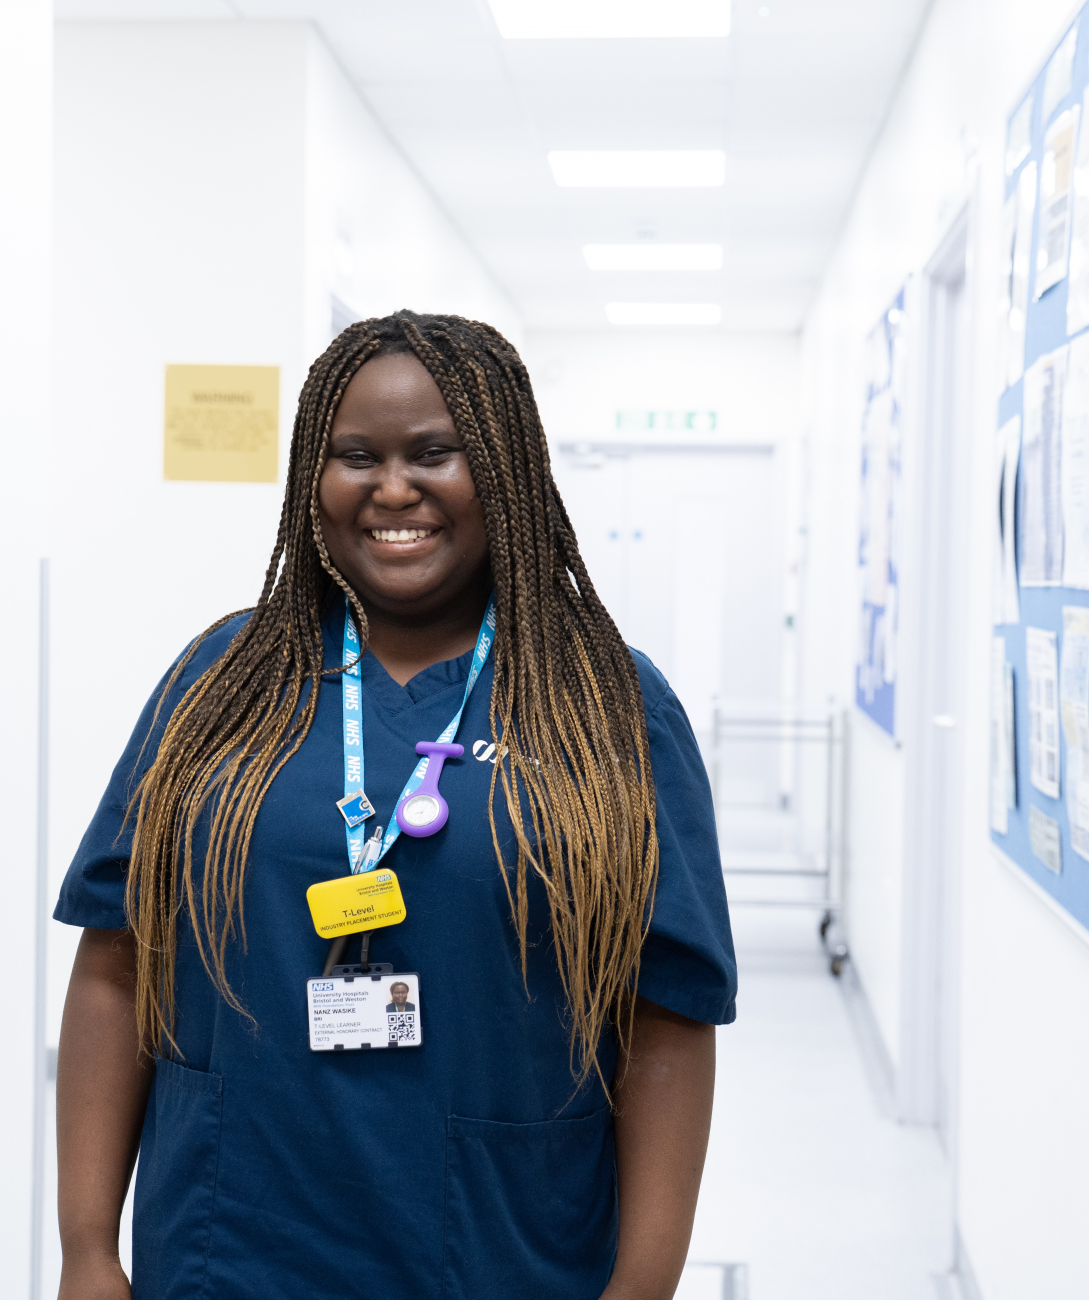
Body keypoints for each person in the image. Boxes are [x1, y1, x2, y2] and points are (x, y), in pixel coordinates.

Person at [54, 310, 736, 1300]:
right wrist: (86, 1250)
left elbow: (667, 1015)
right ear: (310, 480)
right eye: (354, 456)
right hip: (228, 1249)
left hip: (501, 1252)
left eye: (433, 453)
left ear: (502, 471)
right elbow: (114, 965)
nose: (392, 488)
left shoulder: (606, 705)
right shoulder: (219, 683)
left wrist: (641, 1288)